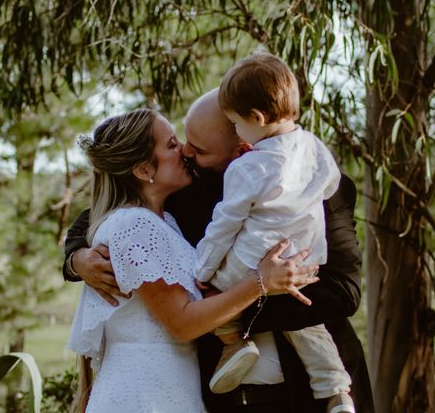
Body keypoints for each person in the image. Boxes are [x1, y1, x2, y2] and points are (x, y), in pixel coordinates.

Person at [65, 92, 375, 413]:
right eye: (182, 143)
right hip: (219, 399)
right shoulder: (189, 190)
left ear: (244, 145)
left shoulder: (322, 188)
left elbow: (343, 293)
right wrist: (78, 258)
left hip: (310, 393)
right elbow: (111, 209)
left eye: (198, 149)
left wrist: (231, 308)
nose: (186, 153)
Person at [194, 53, 354, 413]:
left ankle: (235, 342)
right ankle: (336, 389)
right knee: (308, 324)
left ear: (258, 119)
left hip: (257, 256)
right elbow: (329, 186)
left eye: (235, 124)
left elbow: (225, 225)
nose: (237, 133)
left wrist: (203, 273)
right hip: (306, 258)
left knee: (215, 292)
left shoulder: (248, 167)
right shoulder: (315, 147)